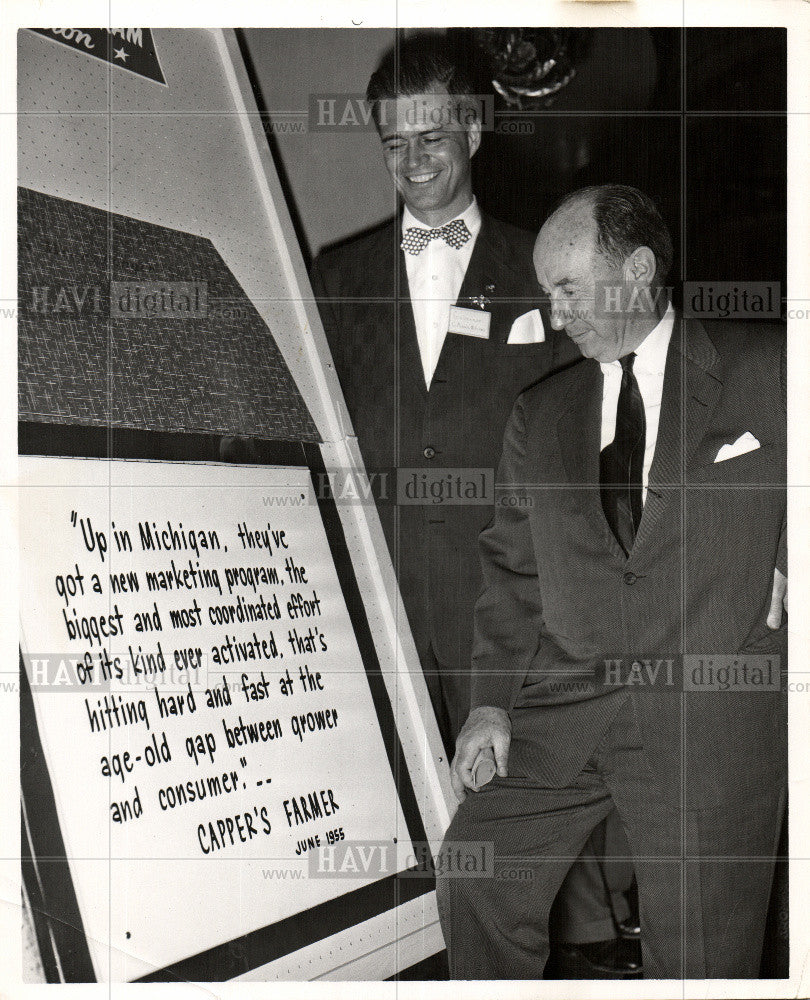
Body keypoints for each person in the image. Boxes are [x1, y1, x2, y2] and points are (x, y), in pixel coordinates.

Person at [310, 38, 639, 977]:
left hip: (516, 603)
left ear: (475, 128)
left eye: (433, 137)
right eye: (394, 144)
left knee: (539, 841)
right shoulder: (333, 281)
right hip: (379, 603)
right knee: (395, 822)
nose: (415, 163)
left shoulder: (544, 270)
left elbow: (607, 434)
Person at [437, 184, 787, 979]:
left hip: (709, 717)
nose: (556, 317)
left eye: (569, 289)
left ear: (635, 271)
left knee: (699, 962)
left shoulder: (769, 365)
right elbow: (512, 571)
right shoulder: (542, 413)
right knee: (476, 870)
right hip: (565, 707)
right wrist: (489, 702)